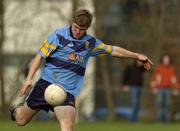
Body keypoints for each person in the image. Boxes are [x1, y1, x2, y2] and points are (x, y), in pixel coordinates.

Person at [10, 9, 153, 131]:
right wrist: (29, 79)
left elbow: (113, 50)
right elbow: (39, 57)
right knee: (21, 121)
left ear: (87, 28)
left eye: (82, 29)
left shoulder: (90, 44)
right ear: (72, 22)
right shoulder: (59, 36)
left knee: (67, 126)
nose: (77, 32)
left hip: (66, 92)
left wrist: (136, 56)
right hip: (45, 85)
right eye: (75, 27)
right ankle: (16, 110)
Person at [150, 54, 179, 122]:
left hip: (168, 89)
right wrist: (154, 87)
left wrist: (176, 88)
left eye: (167, 59)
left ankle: (165, 121)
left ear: (169, 60)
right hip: (160, 88)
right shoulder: (159, 68)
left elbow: (174, 79)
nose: (166, 60)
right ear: (162, 60)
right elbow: (154, 78)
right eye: (165, 59)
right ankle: (159, 120)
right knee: (159, 104)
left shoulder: (172, 69)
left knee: (167, 104)